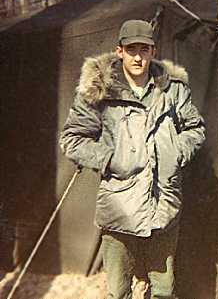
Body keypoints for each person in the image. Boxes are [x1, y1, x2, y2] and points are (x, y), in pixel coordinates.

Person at [59, 19, 206, 299]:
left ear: (153, 51)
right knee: (118, 291)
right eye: (131, 49)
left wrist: (176, 151)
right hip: (119, 206)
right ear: (119, 51)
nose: (138, 57)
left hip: (164, 204)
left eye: (144, 49)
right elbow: (72, 139)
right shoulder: (99, 92)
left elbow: (195, 128)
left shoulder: (173, 90)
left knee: (163, 290)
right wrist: (111, 158)